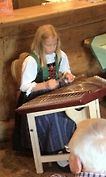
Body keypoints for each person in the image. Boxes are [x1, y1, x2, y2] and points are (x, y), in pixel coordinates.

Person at [13, 24, 76, 155]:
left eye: (54, 44)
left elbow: (65, 70)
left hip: (55, 92)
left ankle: (72, 145)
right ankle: (56, 149)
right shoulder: (32, 60)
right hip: (35, 97)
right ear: (40, 44)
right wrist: (45, 85)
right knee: (54, 117)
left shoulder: (60, 55)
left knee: (74, 111)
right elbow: (24, 86)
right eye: (48, 45)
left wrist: (67, 75)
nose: (52, 48)